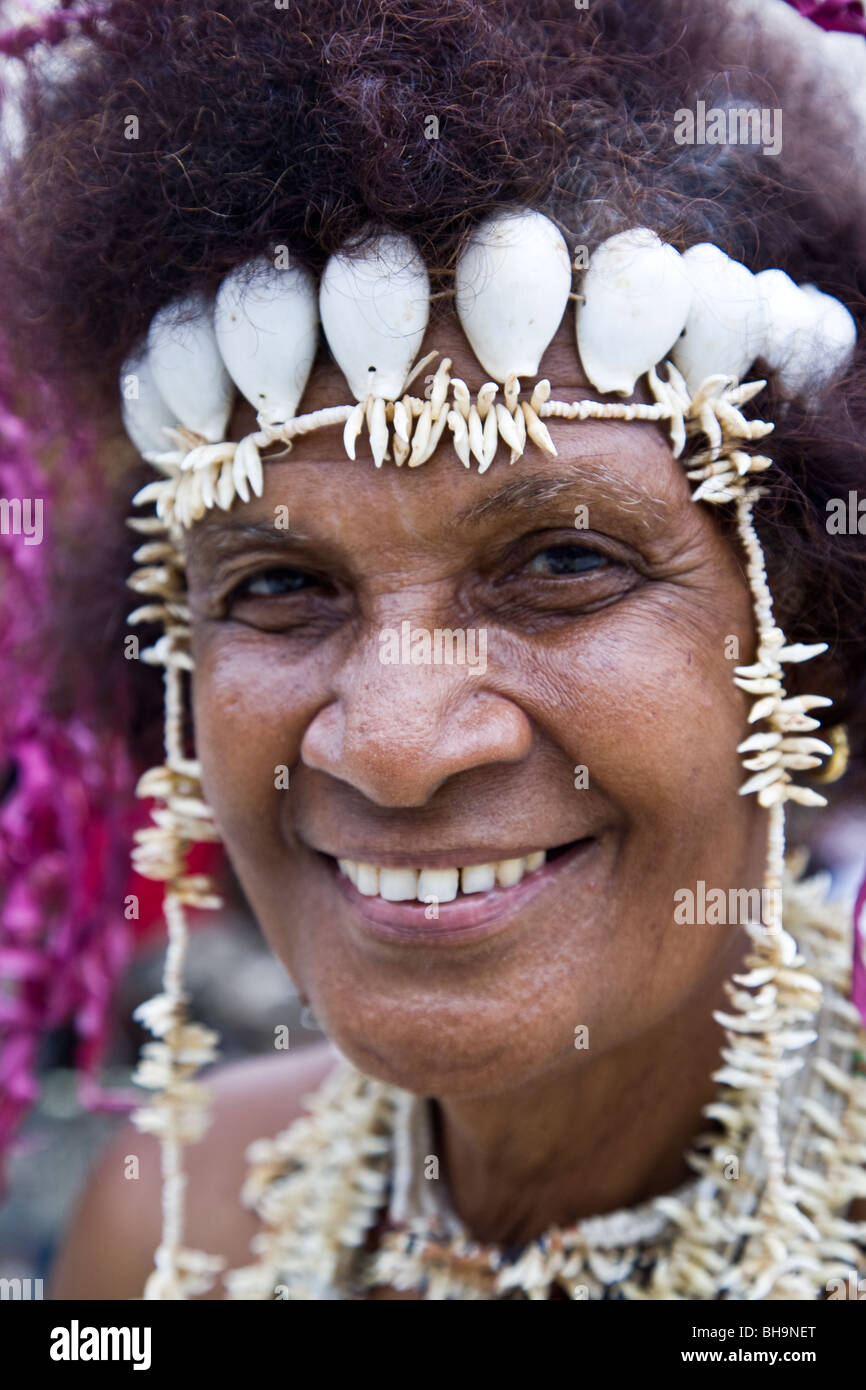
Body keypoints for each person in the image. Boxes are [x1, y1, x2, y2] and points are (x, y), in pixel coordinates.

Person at [1, 0, 864, 1301]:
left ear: (805, 632)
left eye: (565, 562)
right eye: (282, 583)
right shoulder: (171, 1221)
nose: (394, 745)